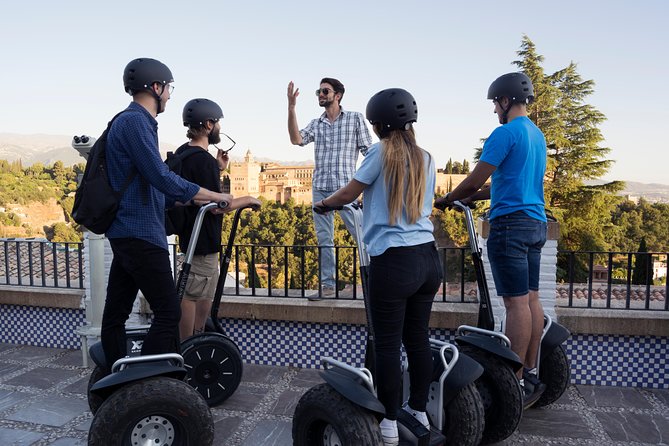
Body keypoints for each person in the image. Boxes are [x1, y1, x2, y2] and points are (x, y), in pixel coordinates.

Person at [314, 88, 441, 446]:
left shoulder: (380, 152)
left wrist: (324, 204)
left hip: (393, 261)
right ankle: (417, 409)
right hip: (428, 258)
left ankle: (387, 422)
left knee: (386, 345)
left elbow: (349, 193)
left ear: (378, 123)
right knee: (417, 340)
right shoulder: (426, 157)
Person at [100, 58, 234, 370]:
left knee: (116, 313)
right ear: (156, 87)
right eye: (169, 88)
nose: (170, 96)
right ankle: (146, 377)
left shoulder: (134, 122)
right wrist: (216, 196)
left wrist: (181, 201)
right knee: (169, 313)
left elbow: (149, 184)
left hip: (128, 231)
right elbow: (160, 177)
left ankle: (114, 374)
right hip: (140, 234)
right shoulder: (135, 122)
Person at [434, 72, 548, 408]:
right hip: (536, 223)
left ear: (506, 100)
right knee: (530, 299)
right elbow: (507, 182)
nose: (494, 109)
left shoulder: (505, 132)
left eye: (496, 102)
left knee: (514, 304)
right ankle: (527, 372)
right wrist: (476, 198)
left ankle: (509, 385)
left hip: (510, 226)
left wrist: (448, 199)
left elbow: (473, 180)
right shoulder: (536, 135)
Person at [176, 98, 261, 340]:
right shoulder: (202, 160)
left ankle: (196, 340)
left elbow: (197, 190)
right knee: (192, 295)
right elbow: (216, 206)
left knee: (204, 292)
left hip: (193, 237)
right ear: (208, 124)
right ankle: (190, 345)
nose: (220, 128)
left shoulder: (186, 153)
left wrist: (218, 169)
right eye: (218, 123)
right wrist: (247, 199)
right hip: (202, 241)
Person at [287, 77, 372, 299]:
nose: (321, 95)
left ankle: (374, 282)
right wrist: (291, 107)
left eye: (325, 91)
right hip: (320, 188)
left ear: (338, 95)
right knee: (325, 239)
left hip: (346, 190)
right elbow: (296, 139)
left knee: (362, 236)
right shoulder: (317, 123)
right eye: (319, 92)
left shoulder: (354, 119)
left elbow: (368, 152)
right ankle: (327, 286)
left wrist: (363, 184)